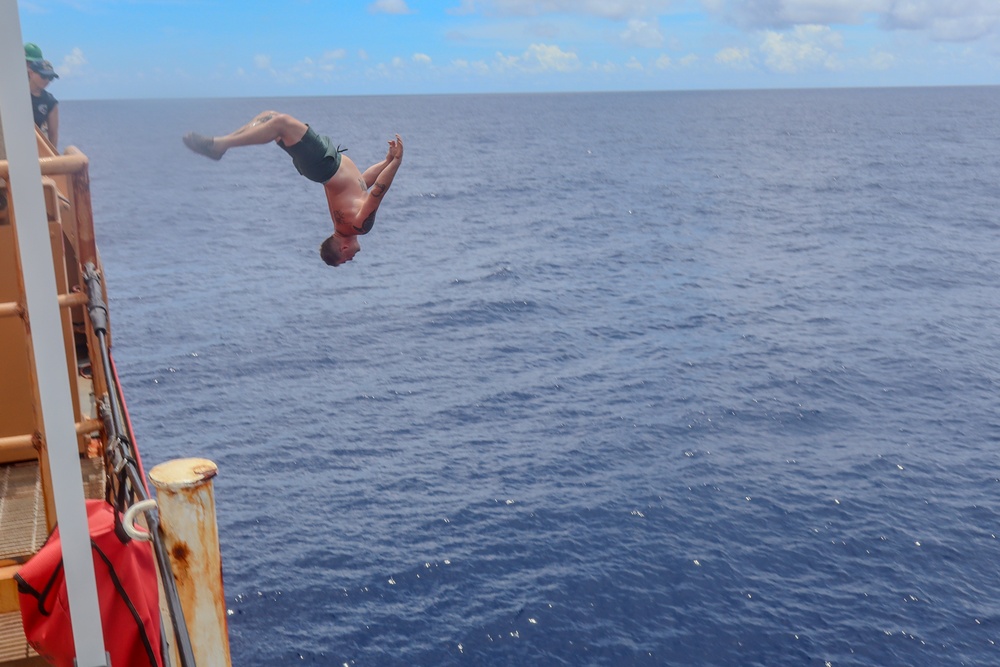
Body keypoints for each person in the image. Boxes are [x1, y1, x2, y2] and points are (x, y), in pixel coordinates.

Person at [182, 111, 403, 267]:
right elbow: (364, 183)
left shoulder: (357, 226)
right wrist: (388, 162)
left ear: (343, 250)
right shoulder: (350, 221)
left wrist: (396, 163)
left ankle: (219, 145)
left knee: (280, 123)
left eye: (349, 259)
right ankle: (220, 145)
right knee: (270, 118)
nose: (354, 256)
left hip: (324, 164)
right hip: (322, 166)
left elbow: (378, 193)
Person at [25, 43, 60, 148]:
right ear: (31, 73)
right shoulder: (13, 94)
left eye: (50, 78)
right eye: (43, 76)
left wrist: (52, 159)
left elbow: (53, 134)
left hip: (35, 150)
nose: (46, 80)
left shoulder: (50, 101)